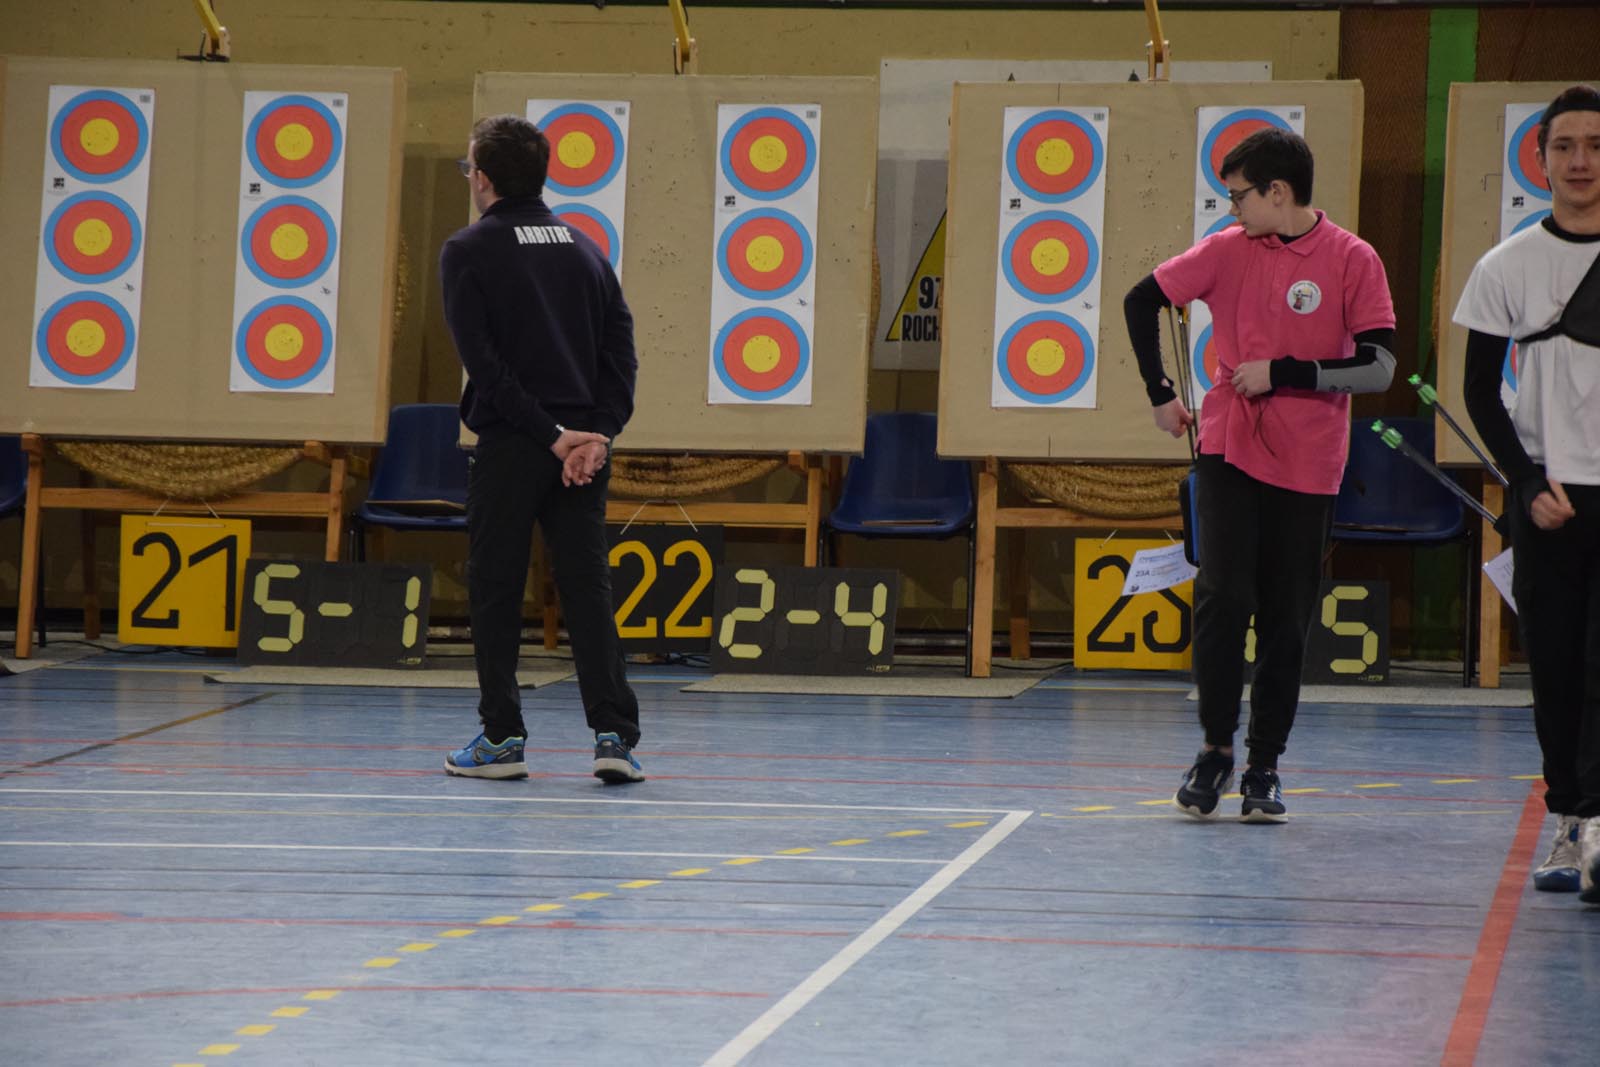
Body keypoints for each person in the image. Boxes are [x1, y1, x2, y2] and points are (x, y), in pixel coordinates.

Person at [1122, 127, 1397, 822]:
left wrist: (1284, 373)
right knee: (1222, 594)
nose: (1232, 208)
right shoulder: (1226, 250)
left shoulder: (1353, 257)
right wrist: (1160, 391)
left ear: (1278, 192)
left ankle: (1264, 765)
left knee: (1286, 614)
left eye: (1239, 195)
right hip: (1229, 447)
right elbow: (1141, 299)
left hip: (1310, 460)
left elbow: (1378, 367)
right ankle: (1215, 748)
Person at [439, 114, 644, 785]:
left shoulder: (467, 250)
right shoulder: (586, 250)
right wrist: (598, 434)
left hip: (515, 445)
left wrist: (552, 437)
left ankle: (502, 738)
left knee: (496, 587)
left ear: (484, 179)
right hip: (583, 453)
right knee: (587, 586)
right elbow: (621, 356)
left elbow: (485, 367)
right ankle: (614, 737)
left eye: (469, 168)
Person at [1455, 84, 1600, 903]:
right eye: (1565, 146)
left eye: (1597, 146)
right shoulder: (1504, 265)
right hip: (1548, 498)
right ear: (1539, 159)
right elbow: (1479, 391)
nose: (1582, 161)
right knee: (1555, 664)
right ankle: (1571, 820)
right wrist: (1526, 481)